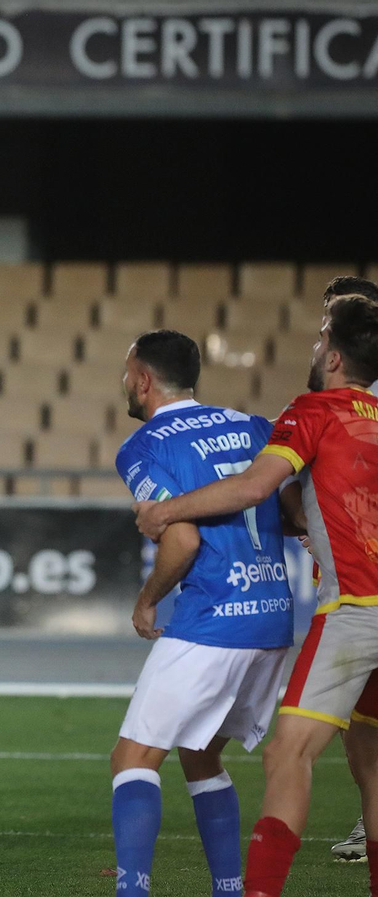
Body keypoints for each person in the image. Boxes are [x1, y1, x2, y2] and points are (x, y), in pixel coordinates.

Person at [134, 296, 378, 897]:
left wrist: (167, 509)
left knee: (286, 756)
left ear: (337, 356)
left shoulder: (314, 410)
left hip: (356, 609)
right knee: (372, 765)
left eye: (322, 339)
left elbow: (252, 487)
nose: (315, 349)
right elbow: (306, 507)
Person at [110, 330, 294, 897]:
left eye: (126, 370)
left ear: (143, 379)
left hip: (214, 618)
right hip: (272, 617)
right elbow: (293, 514)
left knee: (133, 758)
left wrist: (146, 601)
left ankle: (132, 890)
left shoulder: (144, 447)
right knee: (199, 751)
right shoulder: (254, 425)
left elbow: (181, 540)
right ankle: (228, 888)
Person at [311, 277, 378, 863]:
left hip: (364, 591)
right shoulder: (343, 395)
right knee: (356, 721)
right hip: (349, 575)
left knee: (321, 732)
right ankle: (369, 820)